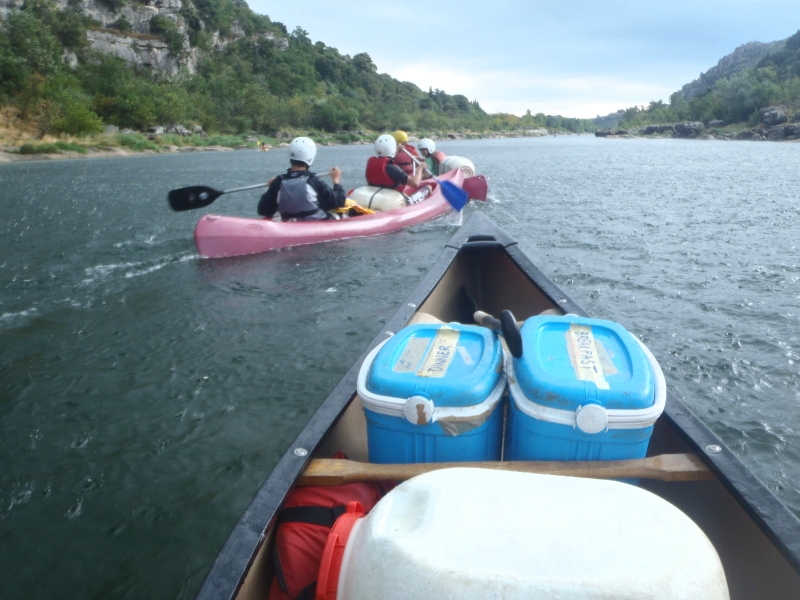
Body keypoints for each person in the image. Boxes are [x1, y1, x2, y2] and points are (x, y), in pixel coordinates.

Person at [257, 137, 346, 221]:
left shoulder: (278, 183)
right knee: (341, 213)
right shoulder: (314, 181)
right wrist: (336, 181)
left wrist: (271, 188)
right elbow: (339, 201)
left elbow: (263, 210)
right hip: (315, 224)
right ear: (310, 158)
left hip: (289, 224)